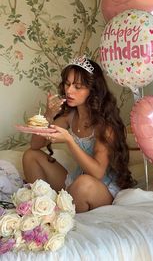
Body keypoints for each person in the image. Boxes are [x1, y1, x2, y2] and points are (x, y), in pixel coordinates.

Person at [22, 55, 135, 213]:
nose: (69, 91)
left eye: (78, 86)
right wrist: (48, 115)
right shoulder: (71, 116)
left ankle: (60, 215)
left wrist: (69, 140)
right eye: (67, 84)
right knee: (30, 155)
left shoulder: (105, 126)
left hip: (99, 188)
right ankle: (41, 210)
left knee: (84, 183)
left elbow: (97, 173)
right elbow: (35, 145)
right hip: (77, 180)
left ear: (92, 90)